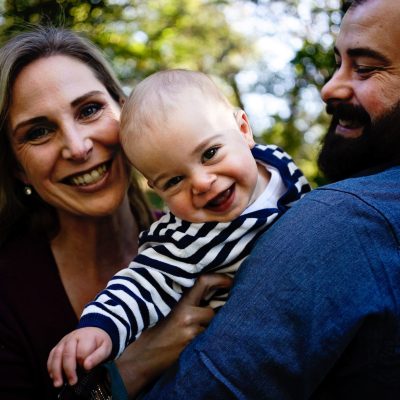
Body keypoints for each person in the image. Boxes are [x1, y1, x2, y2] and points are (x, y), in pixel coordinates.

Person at [131, 0, 400, 398]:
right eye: (338, 62)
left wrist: (112, 379)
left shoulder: (341, 220)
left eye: (364, 68)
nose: (329, 87)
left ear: (243, 129)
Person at [0, 27, 232, 400]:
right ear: (17, 168)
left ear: (125, 111)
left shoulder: (209, 234)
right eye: (39, 131)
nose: (77, 148)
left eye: (90, 110)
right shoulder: (8, 294)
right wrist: (130, 369)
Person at [47, 69, 311, 387]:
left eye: (210, 154)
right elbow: (140, 285)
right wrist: (99, 327)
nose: (201, 182)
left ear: (242, 130)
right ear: (157, 189)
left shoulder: (280, 165)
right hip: (242, 360)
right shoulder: (182, 239)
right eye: (174, 181)